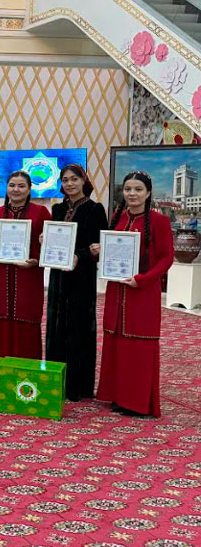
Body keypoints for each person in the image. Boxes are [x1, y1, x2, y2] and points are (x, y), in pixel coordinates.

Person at [94, 171, 174, 417]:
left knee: (138, 346)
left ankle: (137, 402)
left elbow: (167, 258)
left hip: (142, 293)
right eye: (128, 189)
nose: (132, 194)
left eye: (138, 189)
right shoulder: (118, 218)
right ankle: (118, 397)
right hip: (117, 290)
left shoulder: (159, 221)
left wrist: (143, 280)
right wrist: (100, 250)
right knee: (117, 343)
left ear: (148, 193)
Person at [44, 164, 108, 401]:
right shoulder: (57, 209)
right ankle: (55, 382)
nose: (69, 184)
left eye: (74, 179)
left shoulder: (94, 209)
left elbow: (99, 244)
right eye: (65, 180)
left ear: (84, 181)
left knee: (78, 326)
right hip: (59, 275)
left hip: (81, 276)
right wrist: (45, 240)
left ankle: (77, 386)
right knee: (56, 325)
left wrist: (79, 256)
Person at [0, 170, 51, 359]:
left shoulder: (41, 213)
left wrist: (36, 259)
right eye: (12, 185)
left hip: (28, 276)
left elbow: (49, 245)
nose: (16, 189)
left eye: (21, 186)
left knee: (26, 317)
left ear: (29, 189)